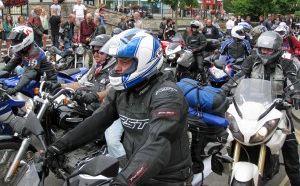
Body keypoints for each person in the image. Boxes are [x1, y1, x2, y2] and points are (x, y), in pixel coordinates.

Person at [45, 29, 193, 186]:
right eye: (117, 61)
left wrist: (123, 181)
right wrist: (57, 147)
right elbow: (96, 122)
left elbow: (157, 145)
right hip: (134, 166)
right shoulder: (121, 91)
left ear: (143, 61)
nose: (116, 68)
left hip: (168, 178)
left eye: (124, 62)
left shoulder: (167, 94)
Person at [221, 31, 300, 186]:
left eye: (269, 50)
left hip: (278, 109)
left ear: (277, 49)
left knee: (291, 150)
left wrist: (296, 93)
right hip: (251, 108)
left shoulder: (285, 63)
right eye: (263, 49)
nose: (265, 52)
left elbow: (293, 80)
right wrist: (225, 87)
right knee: (230, 133)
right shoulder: (251, 60)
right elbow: (240, 75)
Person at [45, 34, 126, 159]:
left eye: (99, 51)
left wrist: (95, 96)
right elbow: (79, 83)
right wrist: (59, 86)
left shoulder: (115, 69)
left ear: (109, 53)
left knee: (112, 141)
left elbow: (111, 90)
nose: (95, 54)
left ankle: (124, 169)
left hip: (112, 111)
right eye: (94, 51)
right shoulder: (96, 68)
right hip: (94, 109)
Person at [0, 26, 57, 134]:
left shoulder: (34, 51)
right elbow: (9, 66)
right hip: (36, 79)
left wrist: (16, 89)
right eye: (14, 40)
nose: (14, 42)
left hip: (48, 81)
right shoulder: (22, 50)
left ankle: (48, 131)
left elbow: (30, 72)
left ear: (26, 39)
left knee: (45, 109)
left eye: (17, 40)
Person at [186, 20, 208, 85]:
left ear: (197, 28)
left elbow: (203, 45)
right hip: (190, 54)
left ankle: (205, 81)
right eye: (192, 27)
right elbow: (187, 45)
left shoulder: (201, 36)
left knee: (200, 67)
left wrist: (196, 49)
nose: (193, 29)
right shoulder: (189, 36)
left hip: (199, 54)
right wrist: (187, 48)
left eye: (195, 27)